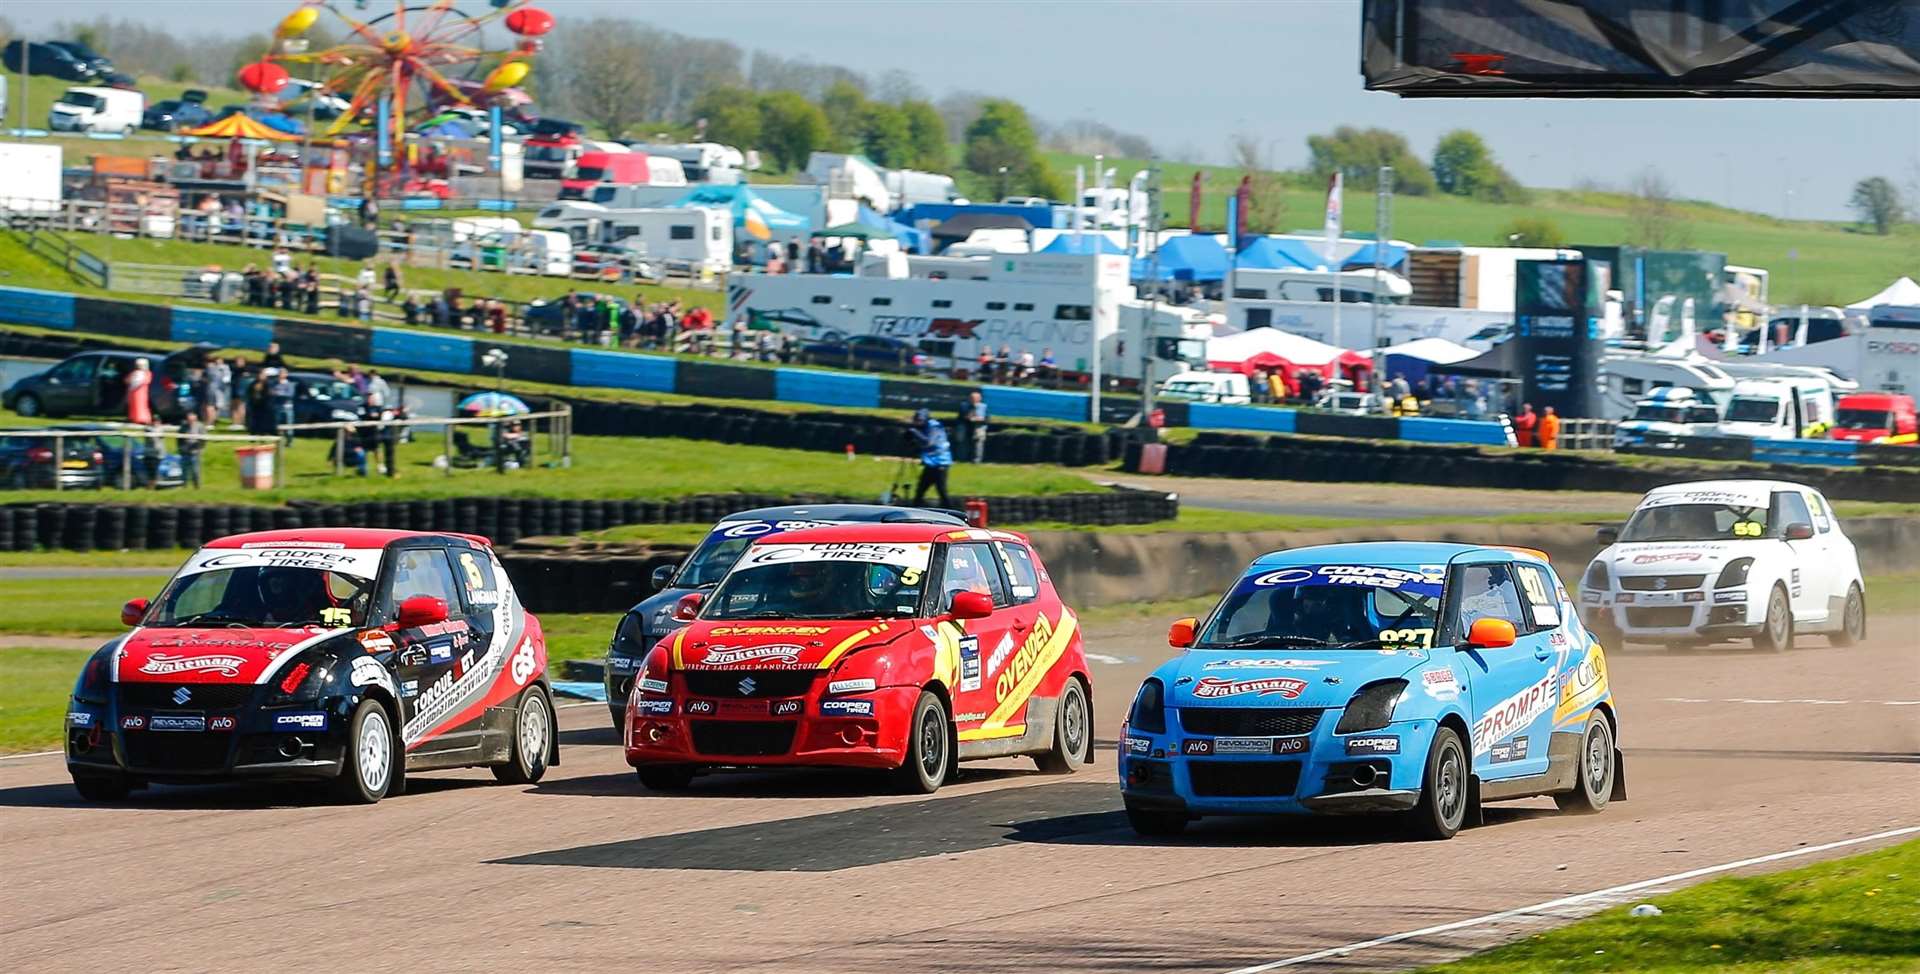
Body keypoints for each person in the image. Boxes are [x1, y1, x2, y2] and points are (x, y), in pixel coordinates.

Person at [907, 408, 953, 508]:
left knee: (942, 491)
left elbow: (929, 442)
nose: (917, 423)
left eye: (920, 420)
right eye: (916, 420)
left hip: (941, 464)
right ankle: (915, 511)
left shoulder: (934, 427)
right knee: (920, 490)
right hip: (931, 464)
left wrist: (914, 432)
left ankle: (952, 512)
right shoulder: (924, 428)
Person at [956, 391, 989, 464]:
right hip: (965, 425)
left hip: (978, 426)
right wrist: (968, 418)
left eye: (975, 398)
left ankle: (976, 460)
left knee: (978, 441)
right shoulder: (964, 405)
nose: (972, 400)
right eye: (971, 398)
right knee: (962, 441)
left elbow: (987, 419)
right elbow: (960, 417)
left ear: (979, 399)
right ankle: (961, 459)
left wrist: (980, 419)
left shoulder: (983, 407)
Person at [269, 369, 296, 445]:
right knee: (277, 425)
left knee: (289, 426)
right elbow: (271, 393)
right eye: (280, 373)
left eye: (283, 373)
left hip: (287, 408)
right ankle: (277, 442)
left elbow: (289, 395)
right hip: (277, 407)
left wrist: (278, 393)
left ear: (286, 374)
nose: (281, 375)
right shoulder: (274, 384)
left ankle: (289, 442)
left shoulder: (289, 384)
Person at [125, 358, 152, 426]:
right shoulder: (147, 373)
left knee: (138, 405)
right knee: (139, 405)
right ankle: (138, 418)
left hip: (137, 391)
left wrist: (131, 386)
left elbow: (132, 381)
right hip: (141, 392)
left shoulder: (139, 373)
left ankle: (140, 419)